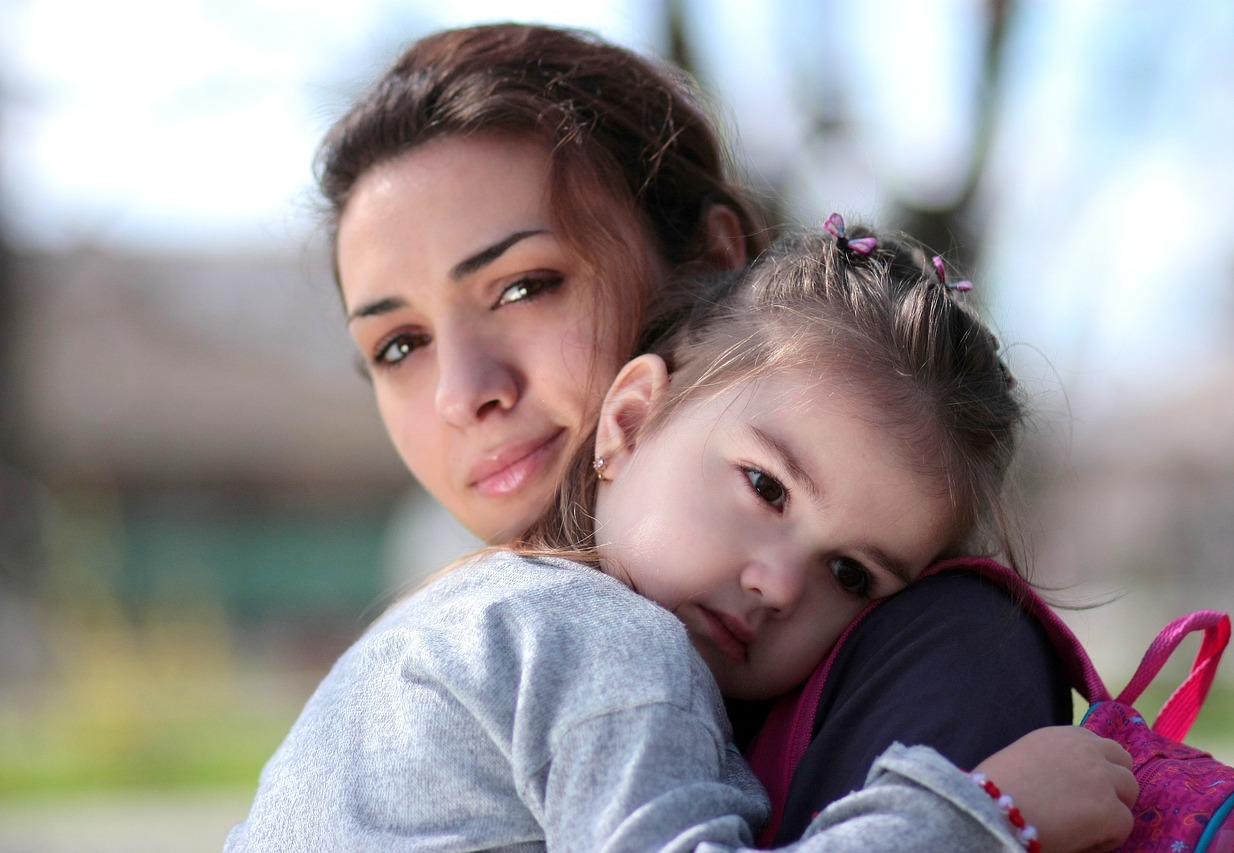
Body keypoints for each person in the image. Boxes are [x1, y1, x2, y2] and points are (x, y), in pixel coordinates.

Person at [317, 22, 1072, 843]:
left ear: (713, 262)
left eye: (525, 286)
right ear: (629, 418)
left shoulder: (938, 646)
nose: (466, 393)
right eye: (398, 345)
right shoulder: (558, 641)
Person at [227, 222, 1137, 851]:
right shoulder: (599, 642)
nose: (782, 585)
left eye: (851, 574)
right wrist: (987, 816)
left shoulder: (476, 616)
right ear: (627, 422)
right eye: (765, 485)